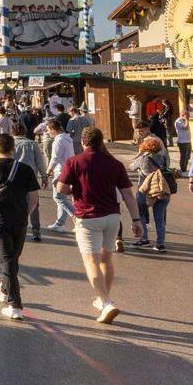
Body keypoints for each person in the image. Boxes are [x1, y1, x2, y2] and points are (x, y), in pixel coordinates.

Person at [56, 127, 143, 324]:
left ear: (84, 143)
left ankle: (106, 302)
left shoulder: (75, 162)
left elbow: (61, 189)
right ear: (100, 141)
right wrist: (136, 220)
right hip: (112, 217)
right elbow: (128, 194)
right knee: (106, 260)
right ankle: (103, 298)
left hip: (88, 217)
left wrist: (75, 189)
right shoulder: (114, 163)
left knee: (91, 262)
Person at [0, 133, 38, 319]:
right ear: (13, 149)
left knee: (8, 260)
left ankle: (15, 305)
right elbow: (33, 199)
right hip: (20, 220)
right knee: (12, 258)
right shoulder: (26, 169)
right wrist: (24, 213)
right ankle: (6, 288)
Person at [128, 135, 174, 253]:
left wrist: (139, 154)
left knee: (141, 214)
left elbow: (131, 166)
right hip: (162, 189)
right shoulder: (162, 157)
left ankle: (144, 239)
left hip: (146, 189)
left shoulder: (143, 158)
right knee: (159, 217)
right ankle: (160, 243)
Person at [43, 118, 78, 233]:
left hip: (61, 171)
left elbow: (55, 158)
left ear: (53, 129)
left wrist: (48, 170)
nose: (47, 132)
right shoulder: (67, 138)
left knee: (58, 197)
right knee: (61, 197)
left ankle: (78, 217)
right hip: (68, 170)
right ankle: (60, 223)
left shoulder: (58, 141)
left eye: (48, 130)